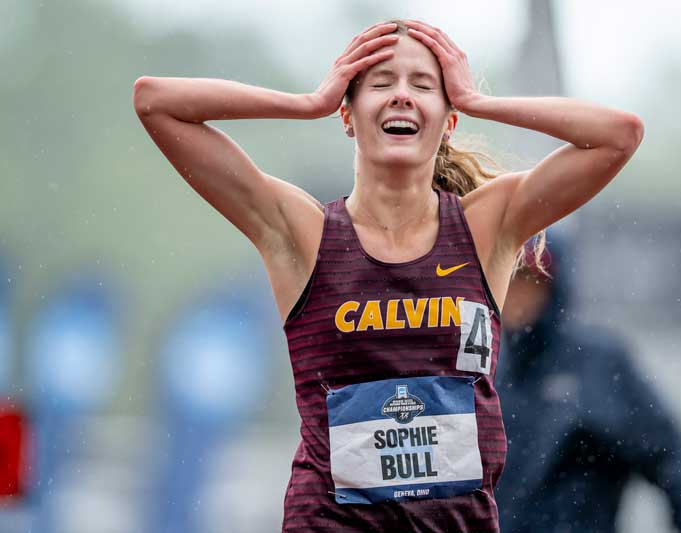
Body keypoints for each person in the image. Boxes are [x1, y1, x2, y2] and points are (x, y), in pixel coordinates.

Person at [133, 18, 643, 533]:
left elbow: (619, 136)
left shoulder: (486, 227)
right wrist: (306, 102)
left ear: (448, 121)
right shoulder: (304, 235)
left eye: (422, 85)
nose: (401, 96)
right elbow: (155, 101)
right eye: (380, 84)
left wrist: (477, 99)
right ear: (349, 116)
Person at [496, 232, 681, 533]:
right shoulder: (488, 368)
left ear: (554, 289)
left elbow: (670, 458)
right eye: (509, 278)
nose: (517, 294)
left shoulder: (598, 363)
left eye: (530, 281)